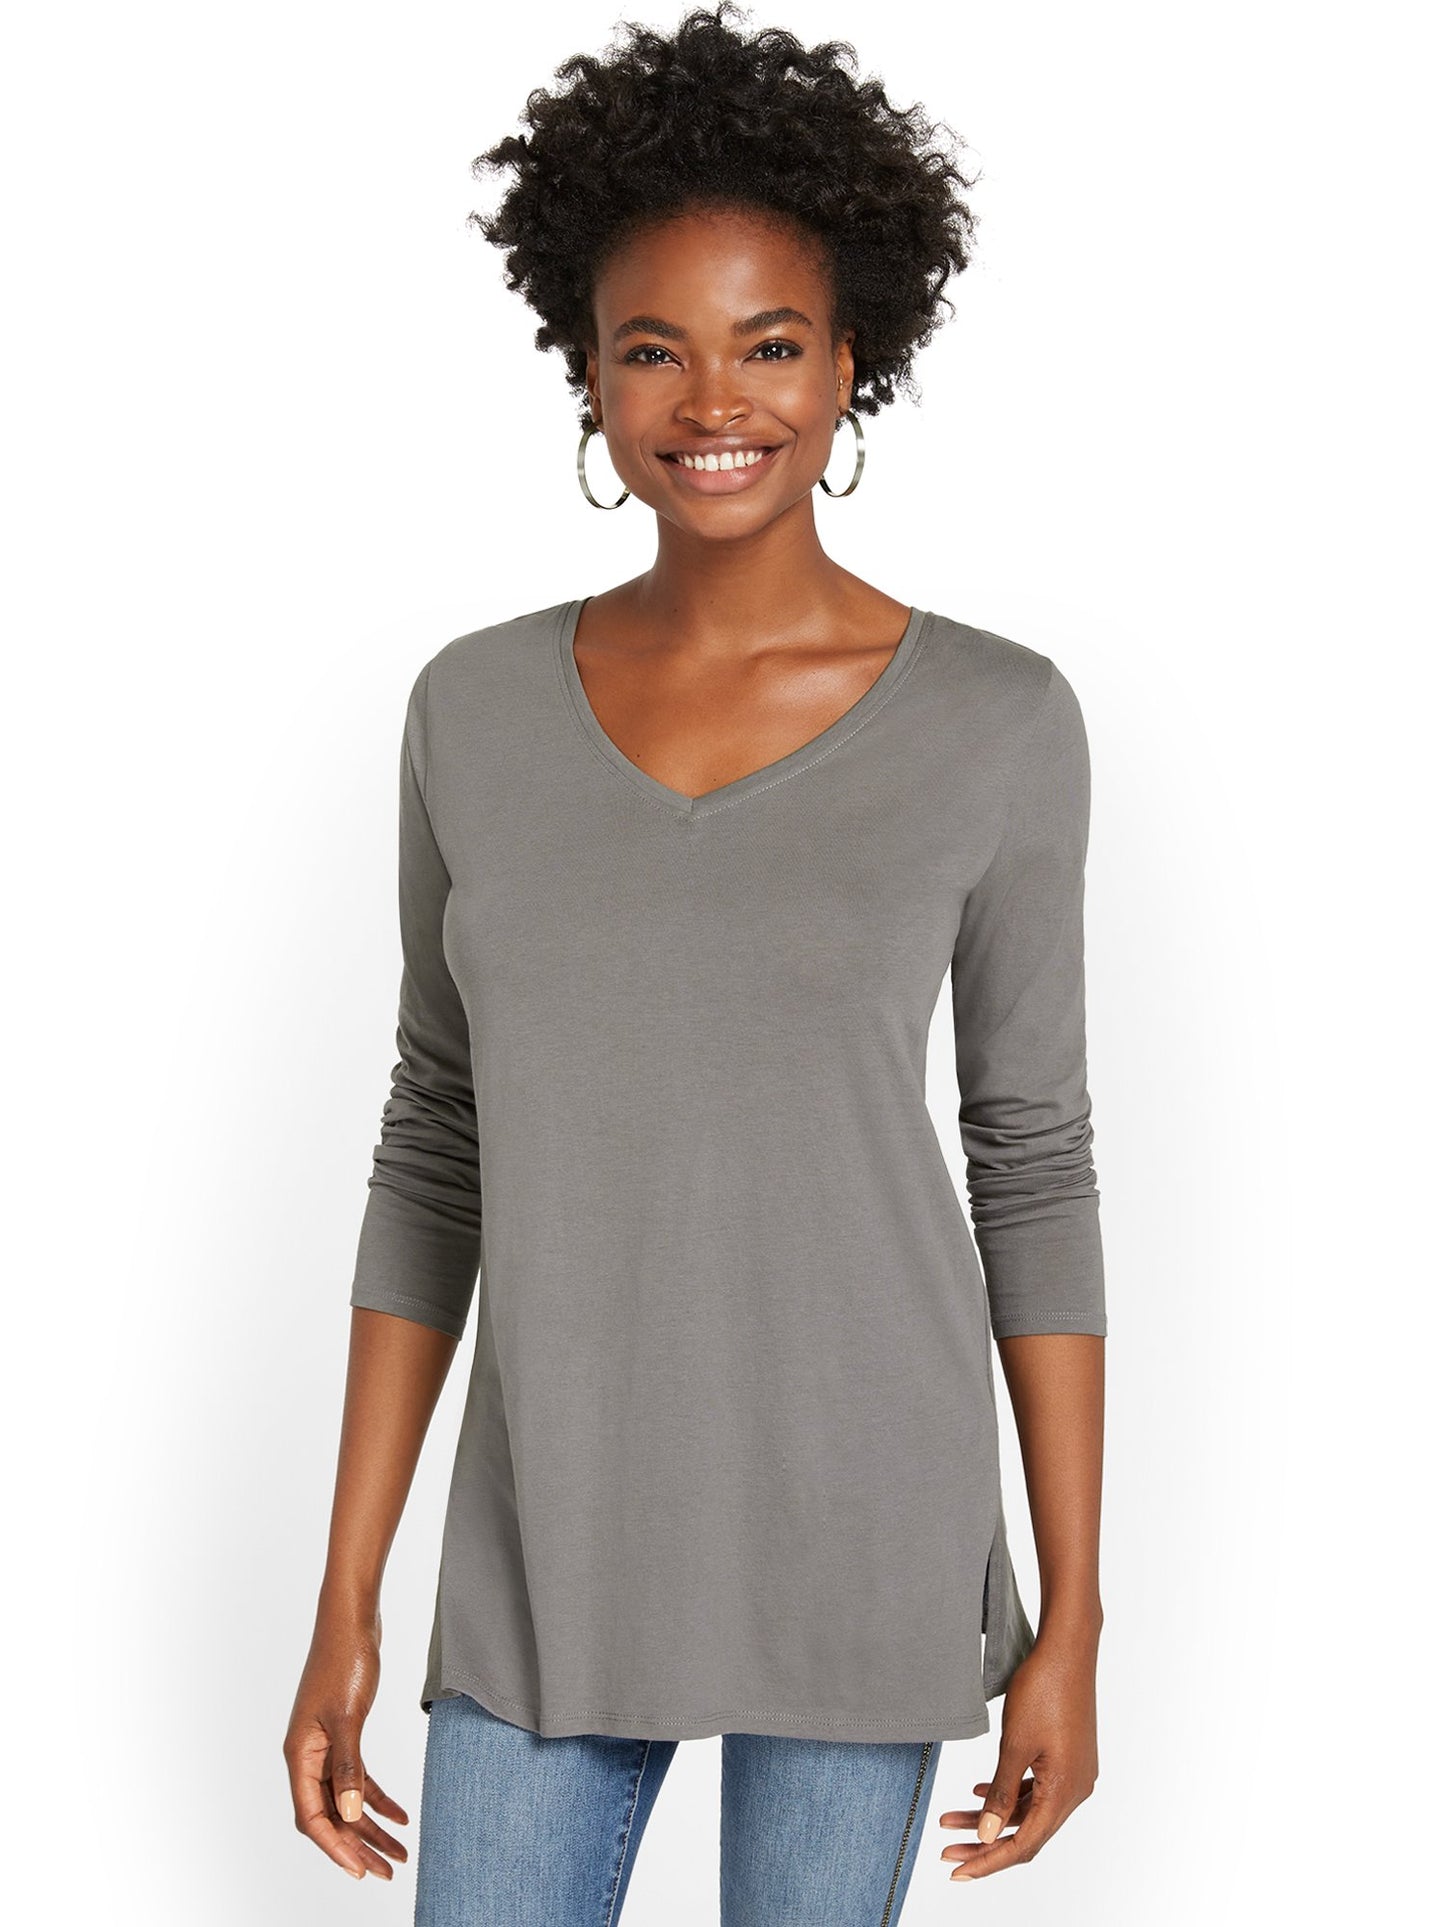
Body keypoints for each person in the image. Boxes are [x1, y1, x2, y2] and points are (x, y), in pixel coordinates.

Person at [284, 7, 1108, 1921]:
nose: (711, 398)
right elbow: (434, 1144)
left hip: (865, 1520)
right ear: (585, 372)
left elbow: (1033, 1162)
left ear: (851, 362)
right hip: (550, 1538)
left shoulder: (996, 720)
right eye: (652, 346)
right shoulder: (472, 708)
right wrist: (346, 1592)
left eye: (771, 343)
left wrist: (1072, 1614)